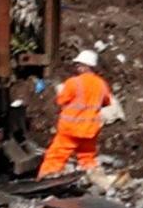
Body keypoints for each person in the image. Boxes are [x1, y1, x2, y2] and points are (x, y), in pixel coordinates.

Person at [44, 48, 112, 176]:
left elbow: (61, 100)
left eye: (78, 65)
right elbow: (106, 102)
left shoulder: (73, 83)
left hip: (71, 129)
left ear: (84, 66)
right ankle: (92, 180)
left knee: (55, 157)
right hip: (90, 130)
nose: (77, 68)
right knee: (87, 158)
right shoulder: (102, 84)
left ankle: (46, 179)